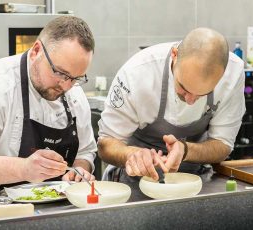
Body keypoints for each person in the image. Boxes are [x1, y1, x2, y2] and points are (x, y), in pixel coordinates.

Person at [0, 16, 97, 200]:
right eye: (60, 73)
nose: (66, 86)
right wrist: (24, 169)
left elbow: (85, 151)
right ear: (36, 51)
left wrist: (79, 170)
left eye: (76, 78)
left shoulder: (74, 94)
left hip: (47, 212)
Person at [98, 28, 245, 199]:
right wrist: (132, 155)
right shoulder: (137, 73)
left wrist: (185, 150)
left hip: (195, 185)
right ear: (174, 54)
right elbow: (106, 144)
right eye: (183, 88)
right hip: (132, 183)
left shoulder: (233, 73)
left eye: (202, 94)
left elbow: (223, 145)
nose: (190, 100)